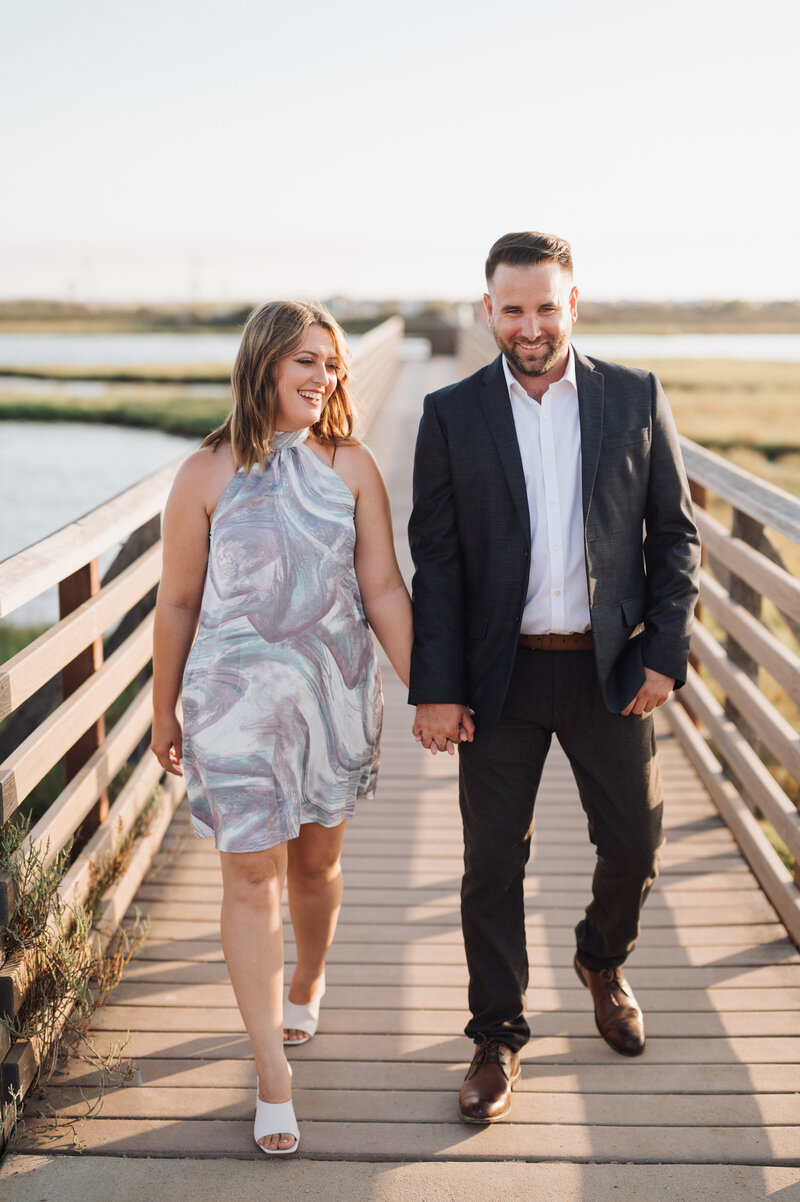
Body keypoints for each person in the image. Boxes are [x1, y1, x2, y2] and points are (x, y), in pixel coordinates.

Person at [408, 231, 700, 1124]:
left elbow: (676, 536)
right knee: (491, 862)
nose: (529, 325)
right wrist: (436, 684)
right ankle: (496, 1036)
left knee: (637, 846)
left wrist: (663, 652)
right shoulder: (451, 413)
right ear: (487, 310)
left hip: (608, 671)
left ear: (573, 303)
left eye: (545, 306)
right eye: (512, 308)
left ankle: (601, 960)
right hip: (498, 680)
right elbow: (438, 560)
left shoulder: (634, 397)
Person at [151, 300, 412, 1155]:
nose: (324, 377)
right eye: (307, 360)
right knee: (248, 880)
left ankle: (308, 977)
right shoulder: (205, 473)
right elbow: (180, 599)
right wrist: (161, 707)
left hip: (332, 703)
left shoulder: (353, 466)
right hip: (230, 712)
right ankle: (271, 1074)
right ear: (263, 362)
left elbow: (381, 590)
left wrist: (430, 693)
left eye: (332, 364)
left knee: (317, 864)